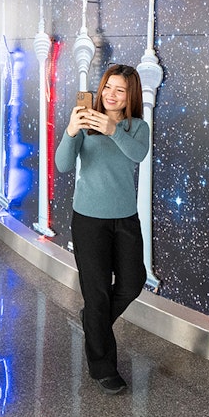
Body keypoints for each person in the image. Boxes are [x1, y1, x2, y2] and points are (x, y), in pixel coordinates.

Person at [54, 63, 150, 395]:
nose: (110, 94)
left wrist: (113, 130)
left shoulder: (137, 127)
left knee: (132, 282)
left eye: (119, 90)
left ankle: (93, 323)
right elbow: (63, 165)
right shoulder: (84, 123)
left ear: (130, 96)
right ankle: (103, 367)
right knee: (96, 293)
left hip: (125, 219)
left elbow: (137, 155)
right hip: (89, 220)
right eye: (107, 87)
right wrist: (70, 130)